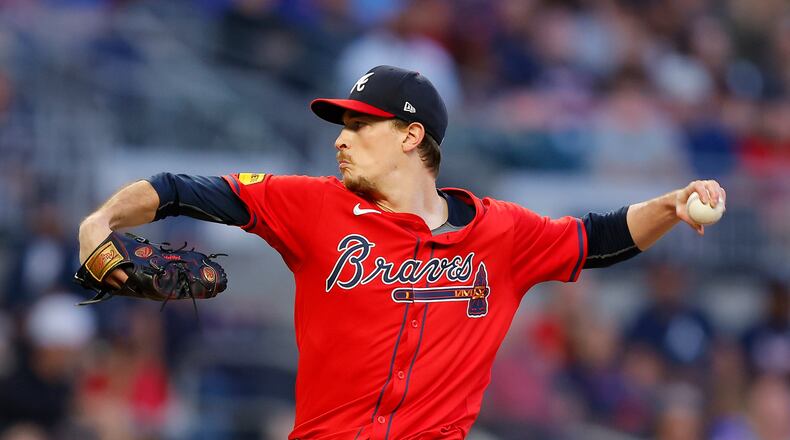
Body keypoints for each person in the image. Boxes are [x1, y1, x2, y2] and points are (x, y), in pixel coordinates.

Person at [77, 65, 725, 439]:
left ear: (413, 135)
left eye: (362, 124)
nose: (343, 138)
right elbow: (176, 191)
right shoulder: (310, 205)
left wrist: (670, 205)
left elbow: (600, 239)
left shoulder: (501, 234)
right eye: (342, 124)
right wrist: (101, 219)